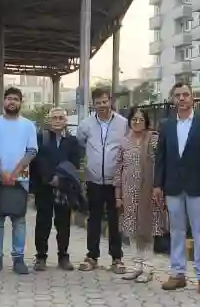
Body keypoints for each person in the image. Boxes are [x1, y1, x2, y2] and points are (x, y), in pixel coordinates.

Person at [153, 82, 200, 295]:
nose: (181, 98)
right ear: (173, 99)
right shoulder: (166, 125)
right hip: (172, 186)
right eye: (177, 95)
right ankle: (177, 274)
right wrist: (157, 184)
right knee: (176, 231)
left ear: (193, 98)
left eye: (185, 95)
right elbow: (161, 157)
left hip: (198, 187)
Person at [0, 87, 38, 275]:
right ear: (4, 101)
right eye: (9, 98)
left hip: (20, 180)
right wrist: (2, 172)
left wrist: (15, 172)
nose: (12, 102)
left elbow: (32, 150)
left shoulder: (28, 125)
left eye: (16, 99)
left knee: (19, 220)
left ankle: (19, 259)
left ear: (21, 103)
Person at [76, 88, 128, 273]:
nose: (102, 106)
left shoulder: (123, 123)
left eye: (105, 102)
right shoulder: (86, 124)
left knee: (115, 220)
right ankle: (92, 256)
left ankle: (117, 258)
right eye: (98, 103)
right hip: (94, 179)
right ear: (93, 104)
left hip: (116, 182)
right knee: (94, 219)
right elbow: (80, 144)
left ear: (110, 101)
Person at [114, 107, 167, 284]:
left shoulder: (153, 139)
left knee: (147, 230)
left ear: (146, 122)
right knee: (132, 231)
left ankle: (148, 267)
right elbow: (118, 169)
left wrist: (159, 187)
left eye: (141, 120)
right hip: (129, 192)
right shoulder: (124, 142)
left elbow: (161, 162)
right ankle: (136, 266)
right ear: (129, 121)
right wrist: (118, 195)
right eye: (134, 119)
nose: (137, 122)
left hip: (149, 192)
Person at [30, 107, 81, 272]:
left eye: (61, 118)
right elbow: (37, 161)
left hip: (64, 188)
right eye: (55, 118)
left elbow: (74, 163)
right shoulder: (41, 138)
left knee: (63, 223)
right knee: (43, 222)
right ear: (49, 120)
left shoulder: (72, 141)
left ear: (66, 121)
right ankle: (41, 256)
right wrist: (49, 178)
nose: (58, 121)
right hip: (44, 187)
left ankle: (63, 256)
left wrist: (61, 179)